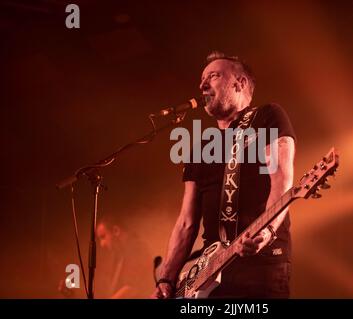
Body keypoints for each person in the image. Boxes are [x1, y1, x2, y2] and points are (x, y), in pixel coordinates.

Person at [152, 51, 296, 299]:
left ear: (239, 83)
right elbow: (187, 222)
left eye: (213, 76)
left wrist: (267, 232)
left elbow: (282, 180)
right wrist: (167, 278)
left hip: (260, 267)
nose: (202, 84)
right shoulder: (201, 147)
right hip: (209, 273)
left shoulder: (267, 116)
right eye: (201, 79)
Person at [96, 214, 153, 298]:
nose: (102, 244)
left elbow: (133, 287)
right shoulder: (119, 255)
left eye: (103, 237)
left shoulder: (136, 248)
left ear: (116, 231)